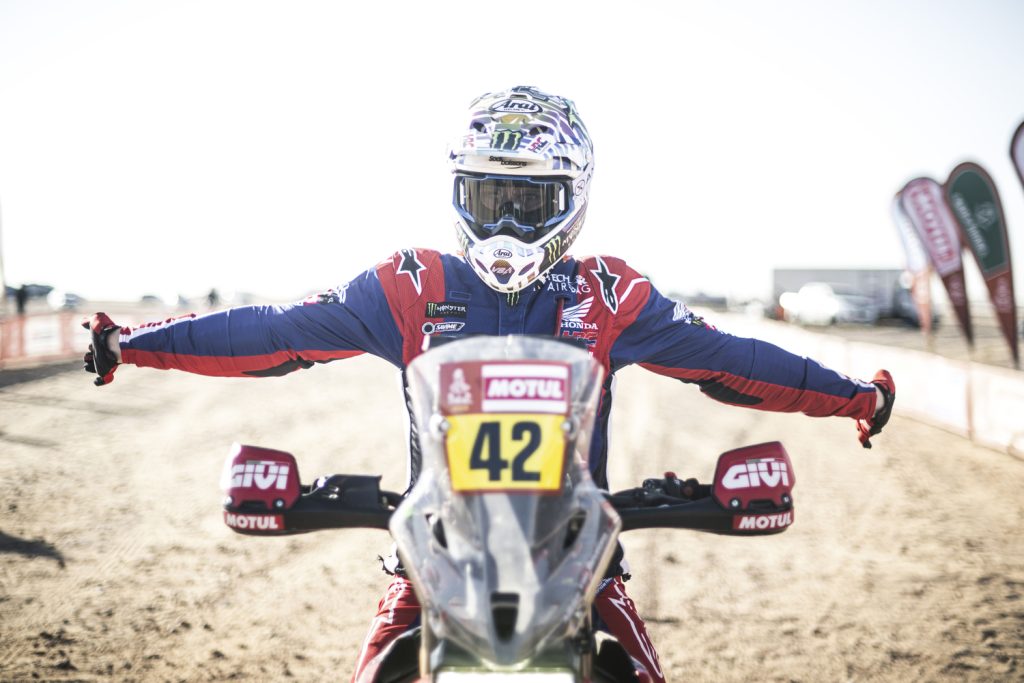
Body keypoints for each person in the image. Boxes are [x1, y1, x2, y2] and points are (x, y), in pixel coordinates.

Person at [83, 85, 895, 682]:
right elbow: (274, 332)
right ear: (457, 193)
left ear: (570, 202)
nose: (504, 224)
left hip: (580, 569)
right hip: (432, 565)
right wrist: (135, 344)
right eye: (488, 196)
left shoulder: (608, 293)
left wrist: (853, 395)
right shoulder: (409, 282)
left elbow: (733, 360)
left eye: (528, 200)